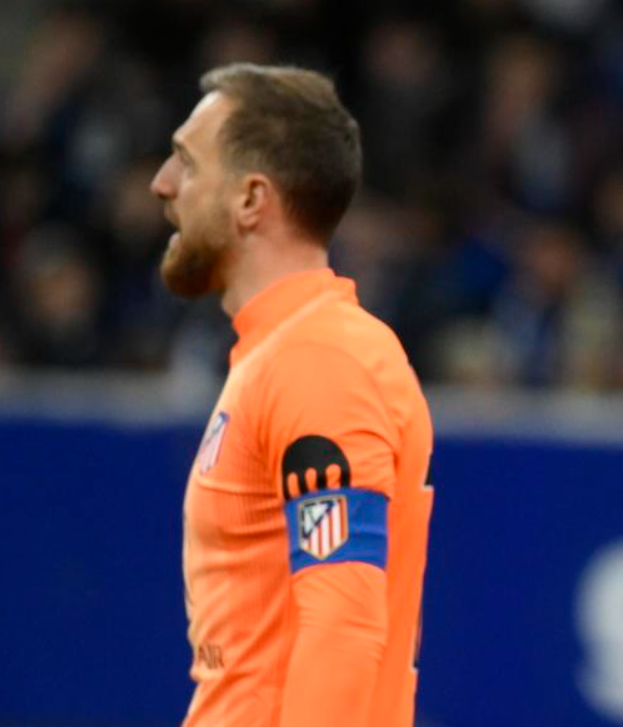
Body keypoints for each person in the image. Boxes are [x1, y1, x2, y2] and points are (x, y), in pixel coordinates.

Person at [150, 64, 435, 726]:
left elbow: (342, 626)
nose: (161, 183)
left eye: (187, 163)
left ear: (252, 199)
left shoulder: (320, 362)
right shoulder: (283, 353)